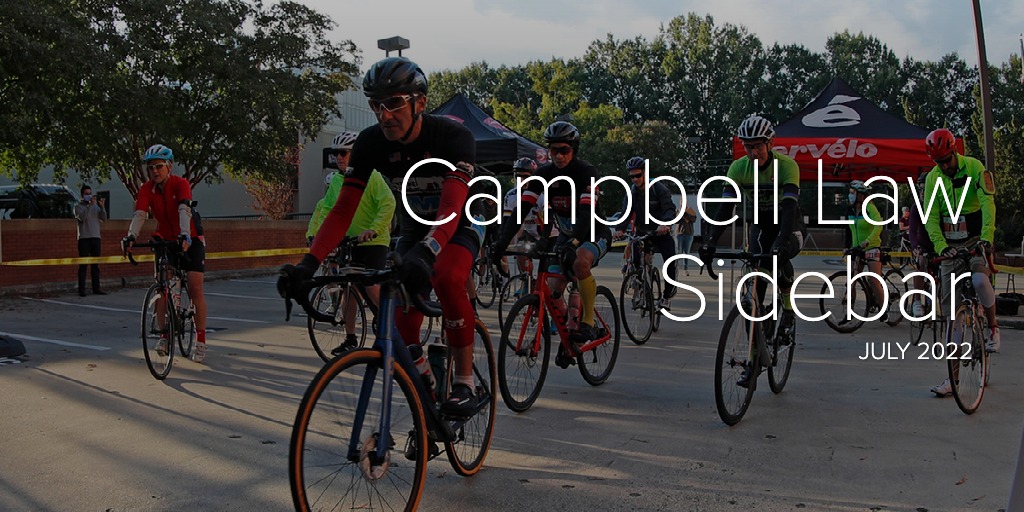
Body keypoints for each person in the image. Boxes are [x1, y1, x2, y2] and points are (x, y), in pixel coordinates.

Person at [278, 57, 481, 417]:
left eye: (394, 103)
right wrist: (309, 263)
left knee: (448, 277)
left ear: (420, 102)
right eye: (376, 105)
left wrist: (429, 251)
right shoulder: (371, 142)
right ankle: (426, 385)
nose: (384, 115)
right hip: (415, 228)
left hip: (459, 222)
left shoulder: (452, 136)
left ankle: (466, 382)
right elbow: (342, 210)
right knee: (400, 326)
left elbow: (451, 207)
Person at [699, 115, 805, 388]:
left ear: (770, 143)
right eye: (748, 146)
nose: (753, 152)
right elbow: (726, 208)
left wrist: (782, 242)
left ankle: (788, 309)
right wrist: (710, 241)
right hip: (761, 226)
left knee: (778, 257)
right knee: (753, 293)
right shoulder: (738, 168)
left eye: (758, 145)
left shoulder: (787, 166)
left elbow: (789, 208)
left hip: (790, 225)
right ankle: (754, 359)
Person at [493, 121, 612, 347]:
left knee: (580, 262)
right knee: (553, 288)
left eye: (564, 150)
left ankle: (587, 322)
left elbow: (586, 213)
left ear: (574, 149)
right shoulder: (544, 174)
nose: (558, 156)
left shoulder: (586, 172)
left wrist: (574, 242)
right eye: (553, 150)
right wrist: (502, 242)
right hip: (567, 236)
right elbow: (521, 210)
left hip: (593, 232)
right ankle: (568, 331)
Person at [921, 128, 999, 397]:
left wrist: (987, 238)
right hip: (950, 247)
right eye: (938, 163)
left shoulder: (975, 167)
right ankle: (951, 379)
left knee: (979, 279)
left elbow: (988, 204)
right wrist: (940, 247)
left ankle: (992, 327)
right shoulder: (933, 178)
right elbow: (931, 216)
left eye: (946, 161)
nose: (944, 167)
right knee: (952, 319)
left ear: (955, 152)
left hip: (976, 239)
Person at [306, 131, 396, 354]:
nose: (339, 157)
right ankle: (350, 338)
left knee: (369, 283)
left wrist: (374, 229)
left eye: (344, 153)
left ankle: (391, 326)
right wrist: (317, 235)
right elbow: (327, 210)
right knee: (350, 289)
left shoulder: (372, 176)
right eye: (337, 153)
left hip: (374, 241)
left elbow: (388, 202)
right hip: (351, 241)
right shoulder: (337, 181)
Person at [122, 144, 209, 363]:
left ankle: (200, 340)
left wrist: (184, 234)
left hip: (190, 237)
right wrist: (131, 236)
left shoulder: (181, 184)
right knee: (163, 285)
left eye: (159, 166)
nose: (154, 171)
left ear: (169, 166)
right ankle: (163, 336)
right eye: (151, 167)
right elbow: (140, 214)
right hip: (165, 238)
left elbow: (184, 209)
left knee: (195, 287)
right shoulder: (146, 189)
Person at [614, 156, 679, 303]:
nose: (635, 179)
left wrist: (665, 224)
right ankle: (640, 287)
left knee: (670, 260)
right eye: (632, 177)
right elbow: (626, 212)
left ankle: (667, 296)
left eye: (638, 175)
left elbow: (669, 208)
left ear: (645, 173)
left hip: (661, 232)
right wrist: (620, 229)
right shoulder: (632, 192)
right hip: (642, 232)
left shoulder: (658, 188)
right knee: (636, 259)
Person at [844, 180, 887, 322]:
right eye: (850, 192)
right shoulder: (850, 210)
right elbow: (848, 229)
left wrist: (868, 240)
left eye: (853, 192)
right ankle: (849, 313)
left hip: (871, 246)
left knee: (873, 280)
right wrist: (847, 246)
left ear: (861, 195)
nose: (850, 195)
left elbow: (879, 226)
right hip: (857, 248)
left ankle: (883, 309)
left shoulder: (870, 208)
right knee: (851, 280)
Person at [907, 173, 935, 318]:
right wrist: (915, 247)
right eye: (920, 189)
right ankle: (917, 300)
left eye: (926, 188)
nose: (922, 192)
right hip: (924, 244)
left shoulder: (941, 204)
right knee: (920, 262)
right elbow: (912, 230)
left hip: (940, 244)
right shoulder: (916, 207)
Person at [75, 185, 107, 296]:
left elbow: (104, 218)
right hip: (84, 238)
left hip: (96, 237)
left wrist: (102, 207)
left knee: (95, 265)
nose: (89, 196)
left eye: (90, 193)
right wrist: (89, 206)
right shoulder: (78, 207)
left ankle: (96, 288)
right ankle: (82, 289)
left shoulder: (96, 206)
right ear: (82, 195)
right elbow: (82, 217)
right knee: (83, 265)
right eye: (86, 194)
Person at [675, 206, 697, 276]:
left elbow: (693, 220)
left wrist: (686, 214)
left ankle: (686, 269)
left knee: (686, 253)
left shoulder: (690, 210)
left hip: (689, 234)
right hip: (679, 234)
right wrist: (680, 214)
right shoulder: (678, 211)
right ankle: (676, 268)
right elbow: (676, 221)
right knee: (678, 252)